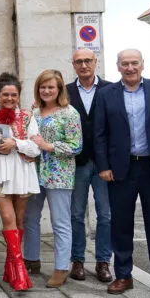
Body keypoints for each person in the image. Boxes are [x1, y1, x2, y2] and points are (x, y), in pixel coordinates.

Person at [94, 49, 150, 298]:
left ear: (142, 65)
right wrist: (103, 166)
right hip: (121, 169)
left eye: (134, 63)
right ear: (118, 67)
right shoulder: (106, 95)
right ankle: (123, 275)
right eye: (125, 64)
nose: (130, 68)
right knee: (120, 224)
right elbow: (100, 134)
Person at [0, 73, 40, 292]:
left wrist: (16, 143)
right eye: (5, 94)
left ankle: (9, 266)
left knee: (19, 219)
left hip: (21, 172)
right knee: (7, 217)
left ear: (19, 96)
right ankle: (20, 270)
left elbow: (35, 147)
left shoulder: (28, 117)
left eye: (14, 94)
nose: (10, 98)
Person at [22, 70, 82, 288]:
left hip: (59, 174)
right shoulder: (34, 112)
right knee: (30, 218)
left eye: (51, 87)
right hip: (34, 172)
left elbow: (77, 145)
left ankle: (61, 268)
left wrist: (48, 146)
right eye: (42, 87)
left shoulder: (69, 113)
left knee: (60, 222)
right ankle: (31, 259)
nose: (46, 91)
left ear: (59, 90)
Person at [66, 49, 113, 282]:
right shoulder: (65, 92)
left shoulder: (111, 89)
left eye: (88, 61)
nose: (84, 65)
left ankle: (103, 261)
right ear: (73, 65)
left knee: (105, 214)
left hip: (105, 163)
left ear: (96, 62)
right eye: (79, 61)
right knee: (76, 214)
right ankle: (78, 260)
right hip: (77, 162)